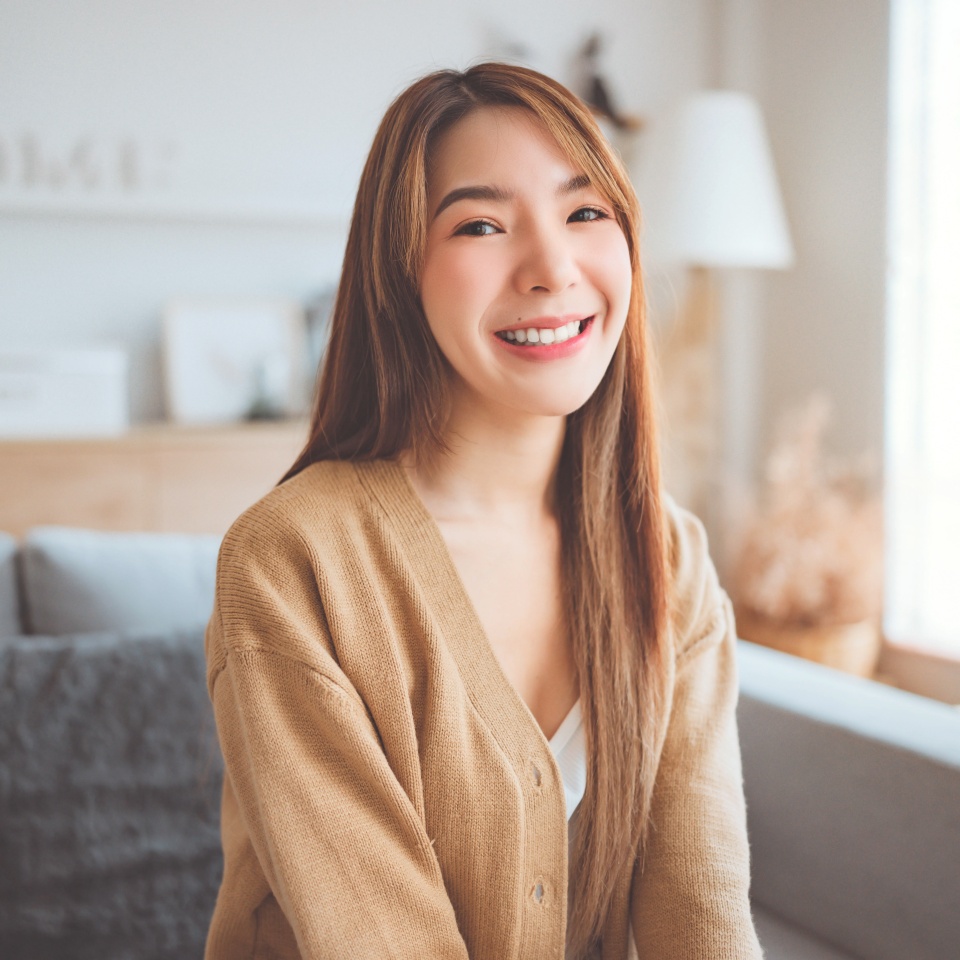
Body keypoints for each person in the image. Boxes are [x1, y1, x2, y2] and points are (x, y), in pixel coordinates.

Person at [204, 62, 763, 960]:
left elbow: (700, 916)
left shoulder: (668, 556)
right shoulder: (292, 561)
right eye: (481, 225)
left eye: (585, 213)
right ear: (400, 273)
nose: (552, 269)